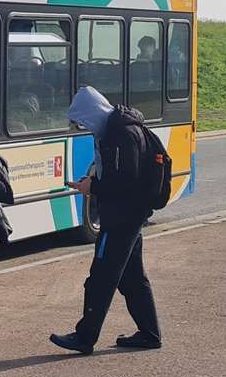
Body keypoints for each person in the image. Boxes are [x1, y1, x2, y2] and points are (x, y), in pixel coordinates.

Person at [49, 86, 164, 355]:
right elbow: (125, 176)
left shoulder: (119, 134)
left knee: (101, 277)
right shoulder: (124, 127)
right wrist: (95, 184)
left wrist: (94, 187)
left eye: (84, 121)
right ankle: (149, 334)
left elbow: (125, 178)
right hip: (131, 214)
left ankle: (85, 336)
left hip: (120, 216)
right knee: (132, 277)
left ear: (92, 113)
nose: (84, 127)